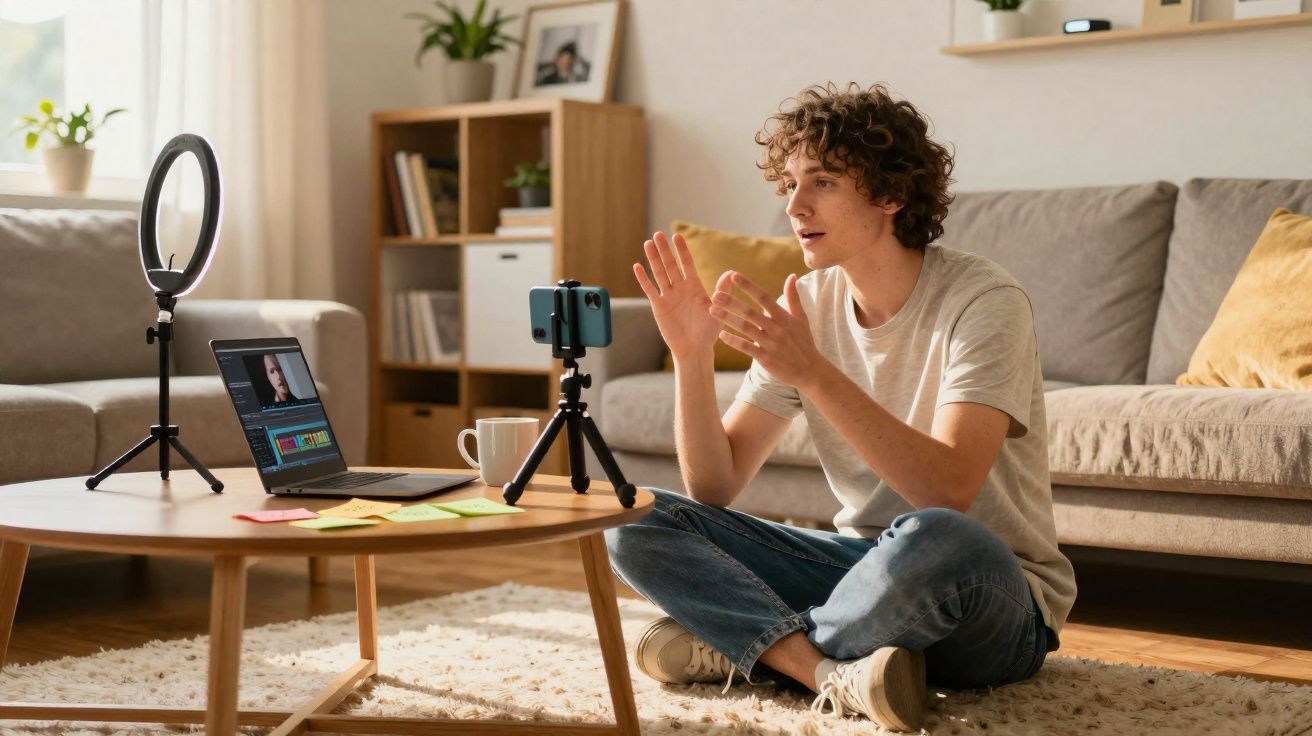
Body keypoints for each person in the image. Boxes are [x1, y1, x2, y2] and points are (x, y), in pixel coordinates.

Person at [604, 83, 1076, 732]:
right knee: (635, 520)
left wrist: (815, 373)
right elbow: (714, 483)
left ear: (890, 194)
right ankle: (827, 674)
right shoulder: (812, 303)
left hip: (988, 596)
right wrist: (692, 357)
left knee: (938, 539)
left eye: (822, 181)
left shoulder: (984, 301)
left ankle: (754, 649)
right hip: (856, 571)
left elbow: (948, 490)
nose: (794, 205)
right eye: (790, 184)